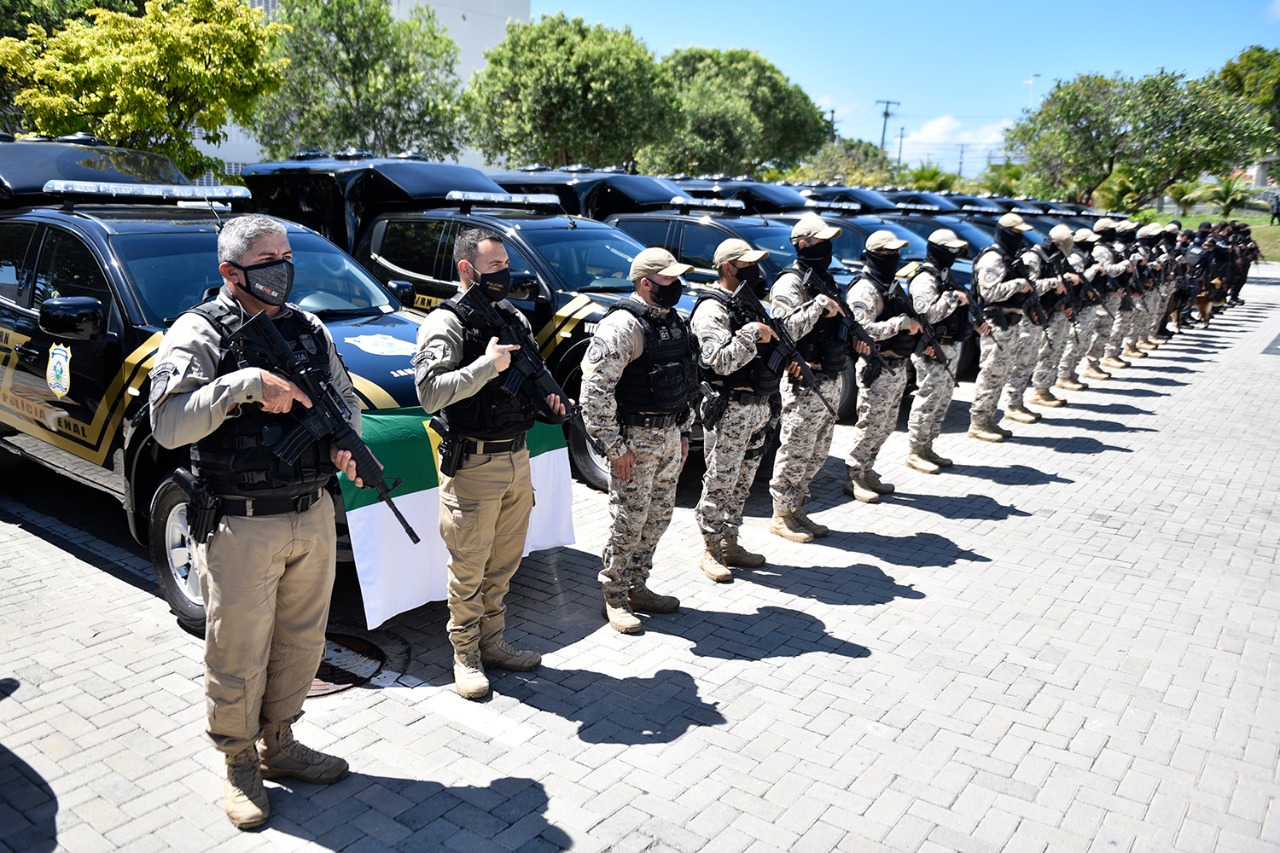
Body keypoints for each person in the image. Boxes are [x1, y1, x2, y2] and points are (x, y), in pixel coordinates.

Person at [149, 215, 358, 830]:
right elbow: (169, 425)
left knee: (301, 643)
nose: (283, 269)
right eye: (268, 260)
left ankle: (280, 741)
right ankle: (238, 760)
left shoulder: (307, 327)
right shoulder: (198, 331)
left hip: (311, 512)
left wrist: (347, 447)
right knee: (237, 651)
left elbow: (344, 401)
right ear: (230, 271)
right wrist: (241, 386)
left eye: (286, 256)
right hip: (241, 523)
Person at [413, 228, 563, 699]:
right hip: (474, 466)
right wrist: (486, 366)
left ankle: (493, 642)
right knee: (469, 568)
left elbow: (535, 372)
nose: (506, 272)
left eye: (505, 263)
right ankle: (465, 654)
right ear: (466, 269)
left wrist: (554, 398)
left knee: (503, 563)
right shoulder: (445, 322)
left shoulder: (509, 315)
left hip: (517, 456)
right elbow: (429, 393)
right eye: (495, 265)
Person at [582, 247, 696, 633]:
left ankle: (638, 585)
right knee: (628, 520)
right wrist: (614, 448)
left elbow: (686, 382)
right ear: (646, 283)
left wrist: (682, 432)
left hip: (667, 436)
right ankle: (614, 597)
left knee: (658, 518)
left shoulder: (674, 322)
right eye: (668, 279)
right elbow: (594, 393)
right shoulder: (622, 326)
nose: (676, 285)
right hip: (635, 440)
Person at [690, 239, 782, 581]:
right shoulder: (712, 309)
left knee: (742, 482)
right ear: (728, 267)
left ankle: (730, 542)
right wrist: (750, 334)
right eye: (746, 264)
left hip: (758, 407)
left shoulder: (746, 302)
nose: (755, 270)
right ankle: (710, 549)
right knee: (720, 481)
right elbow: (718, 361)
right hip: (730, 408)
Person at [768, 215, 850, 541]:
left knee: (817, 452)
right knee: (795, 449)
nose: (828, 246)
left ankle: (797, 507)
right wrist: (817, 306)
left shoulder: (824, 279)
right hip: (804, 381)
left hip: (829, 377)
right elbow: (782, 329)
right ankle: (780, 515)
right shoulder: (790, 284)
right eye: (821, 241)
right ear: (802, 245)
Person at [843, 230, 919, 501]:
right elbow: (862, 329)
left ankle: (867, 470)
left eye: (896, 252)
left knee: (885, 425)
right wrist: (899, 324)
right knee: (870, 424)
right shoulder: (865, 288)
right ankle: (854, 476)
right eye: (888, 253)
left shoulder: (889, 284)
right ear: (875, 254)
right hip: (876, 366)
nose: (894, 257)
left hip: (896, 366)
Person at [903, 228, 983, 472]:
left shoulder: (944, 275)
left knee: (942, 399)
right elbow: (927, 315)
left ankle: (928, 446)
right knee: (927, 398)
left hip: (949, 346)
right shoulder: (924, 279)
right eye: (950, 250)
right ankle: (916, 450)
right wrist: (952, 299)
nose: (955, 254)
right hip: (931, 348)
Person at [967, 212, 1037, 442]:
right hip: (996, 322)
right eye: (1016, 233)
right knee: (991, 373)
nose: (1019, 237)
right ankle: (978, 422)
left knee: (1002, 372)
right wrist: (1018, 284)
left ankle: (988, 420)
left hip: (1011, 323)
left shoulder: (1009, 257)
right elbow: (989, 293)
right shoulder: (993, 259)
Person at [1024, 224, 1079, 409]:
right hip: (1032, 316)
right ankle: (1037, 392)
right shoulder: (1034, 257)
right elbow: (1029, 286)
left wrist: (1064, 302)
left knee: (1052, 351)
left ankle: (1044, 388)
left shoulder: (1054, 258)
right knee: (1035, 356)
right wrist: (1056, 283)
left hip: (1050, 312)